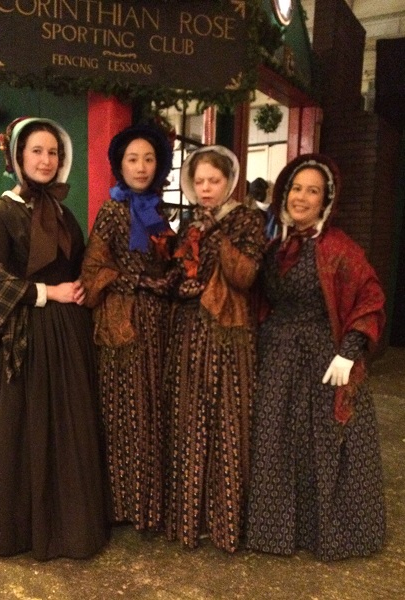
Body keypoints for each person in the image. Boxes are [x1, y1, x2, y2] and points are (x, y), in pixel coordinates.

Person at [0, 117, 110, 560]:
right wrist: (45, 293)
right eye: (36, 150)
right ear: (17, 156)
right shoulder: (2, 211)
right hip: (26, 337)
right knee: (25, 430)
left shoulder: (63, 212)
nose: (46, 160)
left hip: (68, 337)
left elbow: (79, 267)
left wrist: (91, 282)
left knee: (68, 429)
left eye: (53, 152)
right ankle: (22, 531)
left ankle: (70, 527)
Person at [246, 153, 386, 561]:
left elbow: (370, 297)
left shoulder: (339, 247)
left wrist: (348, 352)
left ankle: (329, 533)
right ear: (283, 193)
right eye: (295, 189)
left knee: (324, 447)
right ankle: (275, 532)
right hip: (276, 357)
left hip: (324, 359)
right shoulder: (274, 247)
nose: (301, 197)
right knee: (274, 443)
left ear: (325, 201)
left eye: (313, 191)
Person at [164, 146, 265, 553]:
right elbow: (180, 271)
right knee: (190, 425)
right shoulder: (191, 223)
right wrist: (179, 282)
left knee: (226, 425)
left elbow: (245, 276)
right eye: (200, 181)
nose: (206, 189)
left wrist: (219, 234)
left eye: (215, 181)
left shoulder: (246, 220)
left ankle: (224, 524)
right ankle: (191, 520)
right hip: (190, 334)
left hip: (229, 335)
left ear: (230, 182)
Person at [80, 123, 174, 532]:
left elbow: (169, 262)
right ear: (119, 164)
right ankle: (121, 505)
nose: (141, 167)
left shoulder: (157, 210)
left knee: (152, 412)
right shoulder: (112, 210)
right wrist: (137, 282)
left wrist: (174, 275)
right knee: (124, 414)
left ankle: (149, 506)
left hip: (157, 327)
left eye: (149, 159)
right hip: (122, 326)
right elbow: (92, 271)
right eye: (133, 159)